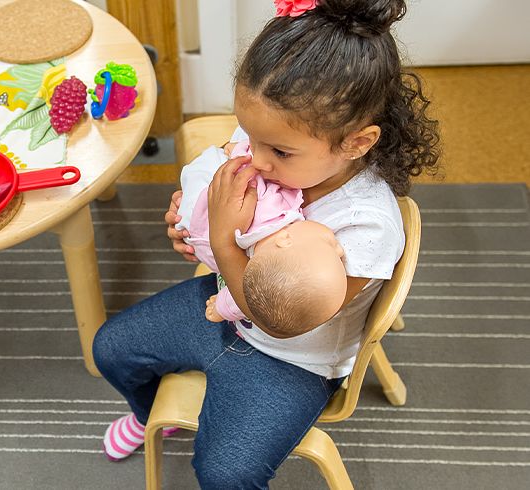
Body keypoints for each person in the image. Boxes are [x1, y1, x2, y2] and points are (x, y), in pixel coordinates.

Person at [93, 0, 440, 487]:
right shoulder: (272, 141)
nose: (254, 159)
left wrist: (223, 239)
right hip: (220, 300)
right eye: (248, 135)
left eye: (278, 150)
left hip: (292, 356)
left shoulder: (366, 227)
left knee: (224, 474)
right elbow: (225, 185)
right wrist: (193, 222)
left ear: (357, 143)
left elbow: (279, 322)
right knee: (110, 348)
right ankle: (151, 413)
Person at [178, 138, 348, 336]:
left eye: (330, 246)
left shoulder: (270, 212)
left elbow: (248, 175)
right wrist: (220, 308)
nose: (340, 249)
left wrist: (240, 151)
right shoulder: (263, 272)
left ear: (285, 240)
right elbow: (241, 301)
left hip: (203, 210)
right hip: (202, 238)